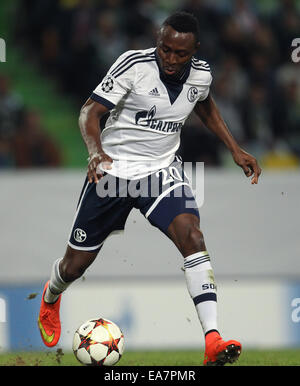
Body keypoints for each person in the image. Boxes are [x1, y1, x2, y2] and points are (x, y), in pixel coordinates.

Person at [38, 12, 261, 366]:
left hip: (161, 172)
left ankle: (212, 339)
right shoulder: (133, 64)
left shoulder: (202, 73)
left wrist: (234, 147)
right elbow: (89, 113)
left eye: (180, 53)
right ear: (158, 42)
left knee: (193, 237)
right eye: (165, 49)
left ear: (195, 51)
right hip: (112, 172)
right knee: (75, 265)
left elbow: (203, 104)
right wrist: (96, 153)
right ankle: (51, 296)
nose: (170, 59)